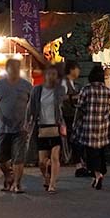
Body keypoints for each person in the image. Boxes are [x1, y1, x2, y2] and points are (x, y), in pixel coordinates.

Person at [0, 58, 32, 193]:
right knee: (1, 157)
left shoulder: (26, 85)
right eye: (12, 67)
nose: (15, 70)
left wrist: (31, 120)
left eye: (17, 67)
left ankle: (17, 184)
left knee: (18, 157)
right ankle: (8, 176)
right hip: (2, 128)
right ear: (7, 69)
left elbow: (33, 103)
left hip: (21, 127)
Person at [74, 65, 110, 190]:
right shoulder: (108, 92)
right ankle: (98, 175)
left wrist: (76, 123)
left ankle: (97, 174)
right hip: (103, 125)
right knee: (101, 151)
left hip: (89, 125)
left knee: (91, 153)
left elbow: (79, 109)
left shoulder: (86, 90)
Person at [27, 65, 66, 194]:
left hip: (55, 127)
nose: (51, 77)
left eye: (54, 75)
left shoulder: (59, 90)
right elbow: (30, 107)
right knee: (42, 162)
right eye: (49, 74)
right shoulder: (36, 90)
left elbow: (62, 107)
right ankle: (47, 177)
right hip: (41, 128)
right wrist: (27, 122)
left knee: (55, 157)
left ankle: (52, 185)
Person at [61, 61, 88, 176]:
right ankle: (78, 163)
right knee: (74, 139)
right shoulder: (63, 82)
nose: (79, 72)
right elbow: (60, 97)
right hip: (67, 114)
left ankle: (79, 162)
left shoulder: (73, 83)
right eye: (77, 69)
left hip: (73, 115)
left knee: (75, 139)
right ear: (72, 70)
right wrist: (74, 97)